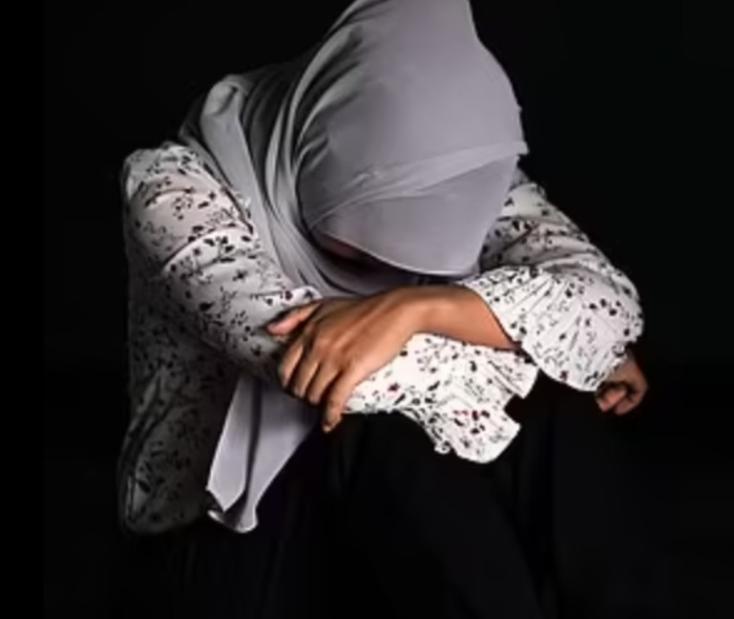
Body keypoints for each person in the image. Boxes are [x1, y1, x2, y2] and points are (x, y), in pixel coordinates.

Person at [116, 0, 650, 617]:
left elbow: (611, 305)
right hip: (228, 545)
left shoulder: (454, 167)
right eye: (372, 226)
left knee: (553, 411)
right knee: (377, 420)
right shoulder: (172, 190)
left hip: (399, 517)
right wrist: (556, 345)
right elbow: (330, 372)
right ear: (325, 152)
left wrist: (421, 308)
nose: (395, 258)